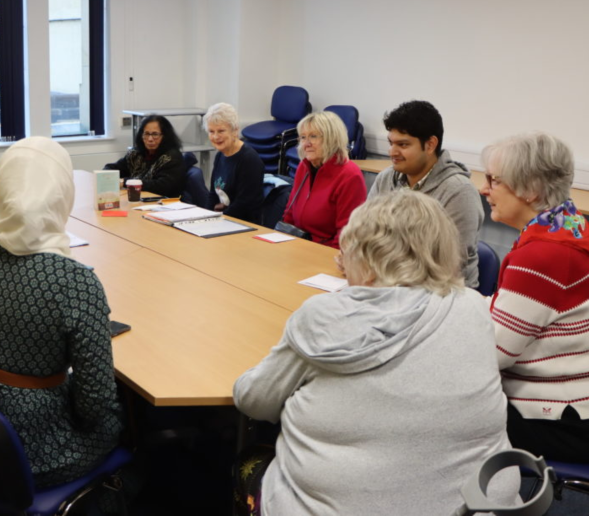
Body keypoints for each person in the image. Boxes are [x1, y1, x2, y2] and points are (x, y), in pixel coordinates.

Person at [233, 190, 518, 516]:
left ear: (364, 256)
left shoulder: (322, 315)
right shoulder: (473, 307)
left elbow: (255, 401)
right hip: (479, 507)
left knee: (249, 460)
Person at [0, 137, 122, 488]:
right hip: (35, 447)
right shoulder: (76, 281)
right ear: (62, 194)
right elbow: (94, 404)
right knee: (121, 418)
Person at [481, 132, 589, 463]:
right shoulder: (570, 228)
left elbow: (493, 354)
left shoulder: (542, 256)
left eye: (494, 180)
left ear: (531, 191)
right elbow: (514, 311)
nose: (485, 189)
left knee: (436, 415)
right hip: (575, 403)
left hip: (554, 419)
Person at [369, 100, 483, 288]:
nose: (392, 152)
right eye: (391, 143)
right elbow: (367, 235)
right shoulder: (386, 178)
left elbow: (447, 265)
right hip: (390, 284)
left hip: (441, 294)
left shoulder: (459, 191)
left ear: (430, 145)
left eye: (403, 145)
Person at [280, 111, 366, 248]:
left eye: (313, 136)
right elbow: (290, 213)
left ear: (332, 138)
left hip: (326, 252)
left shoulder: (350, 175)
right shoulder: (304, 167)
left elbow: (347, 235)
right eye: (303, 137)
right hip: (297, 245)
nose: (306, 144)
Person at [205, 103, 264, 223]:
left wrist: (217, 221)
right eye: (211, 131)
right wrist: (207, 217)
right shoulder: (220, 155)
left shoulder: (249, 160)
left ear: (235, 131)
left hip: (243, 225)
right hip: (224, 220)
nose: (216, 137)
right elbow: (212, 195)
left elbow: (243, 205)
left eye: (221, 131)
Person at [104, 114, 186, 197]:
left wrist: (125, 182)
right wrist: (106, 176)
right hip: (139, 199)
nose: (150, 139)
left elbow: (161, 187)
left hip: (165, 203)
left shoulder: (172, 157)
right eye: (146, 134)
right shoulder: (135, 153)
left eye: (155, 134)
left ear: (165, 136)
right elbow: (114, 168)